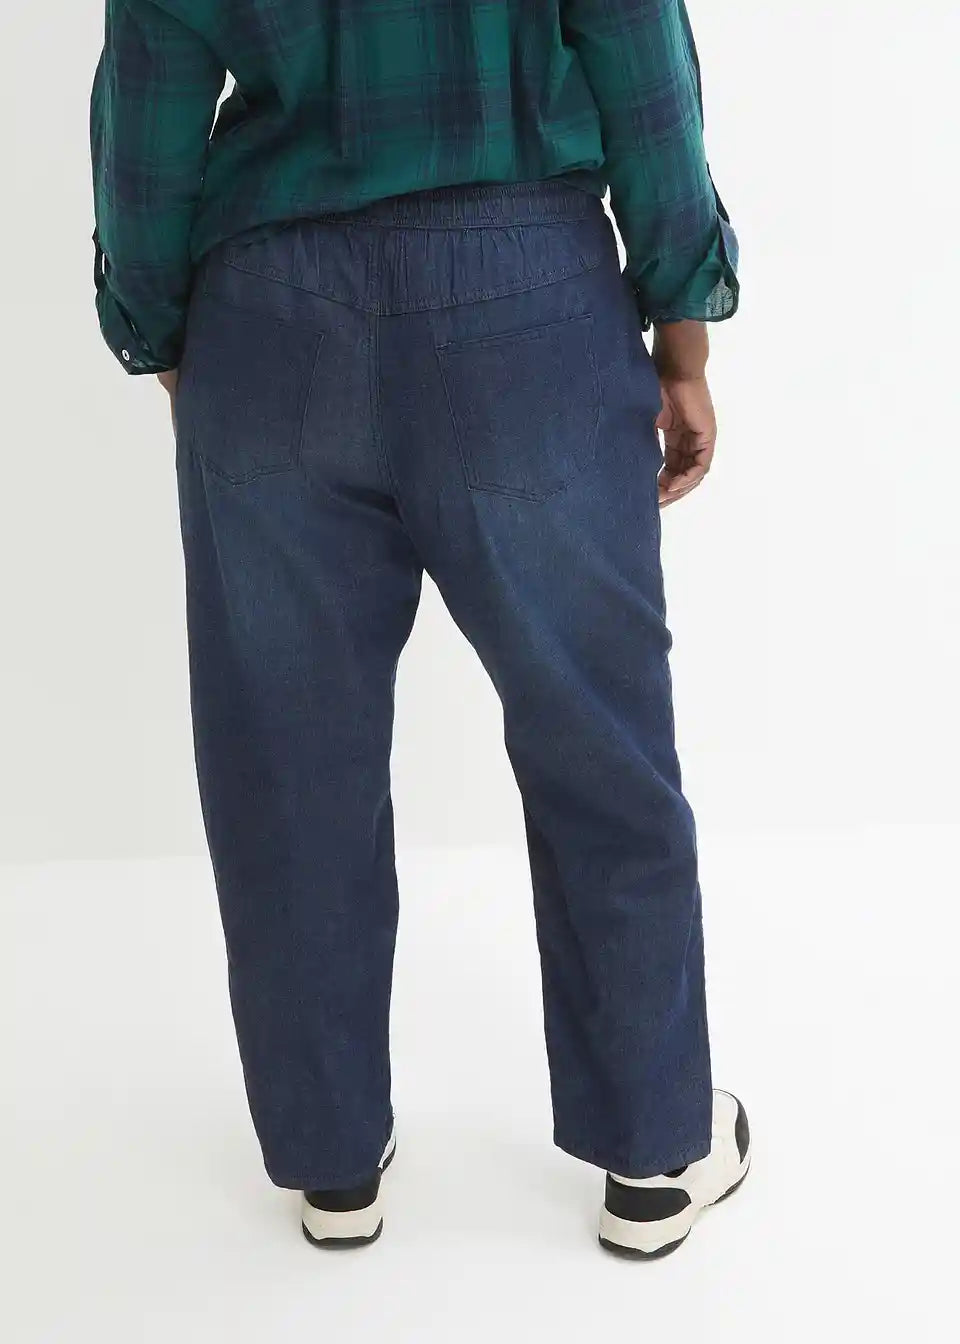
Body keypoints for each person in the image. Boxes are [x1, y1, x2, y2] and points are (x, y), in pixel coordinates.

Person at [90, 0, 750, 1259]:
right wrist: (684, 327)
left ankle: (332, 1161)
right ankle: (653, 1154)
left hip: (268, 315)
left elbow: (148, 99)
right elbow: (641, 62)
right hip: (530, 302)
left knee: (286, 761)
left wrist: (167, 332)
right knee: (600, 744)